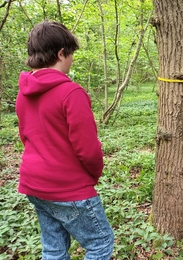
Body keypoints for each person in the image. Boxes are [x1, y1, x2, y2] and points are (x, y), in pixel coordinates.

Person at [15, 21, 114, 259]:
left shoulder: (23, 92)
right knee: (100, 243)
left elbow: (26, 137)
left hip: (34, 184)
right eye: (70, 55)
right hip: (69, 188)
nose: (71, 61)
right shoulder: (71, 93)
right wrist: (94, 175)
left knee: (54, 248)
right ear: (61, 53)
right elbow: (88, 149)